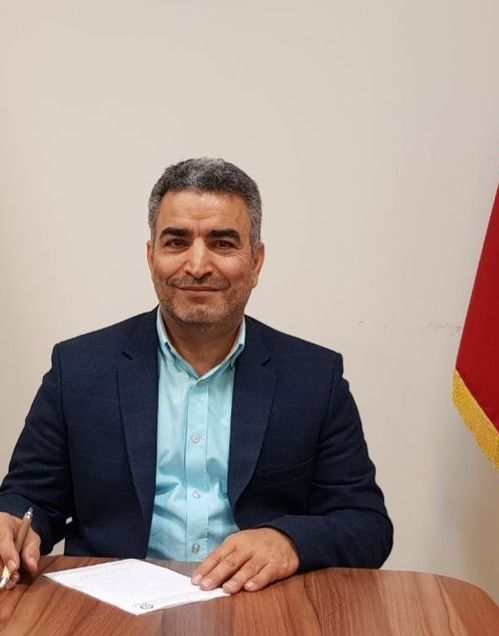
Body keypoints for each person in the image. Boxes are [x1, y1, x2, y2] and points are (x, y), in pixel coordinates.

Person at [0, 158, 392, 593]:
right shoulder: (78, 368)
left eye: (223, 243)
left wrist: (289, 540)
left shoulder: (314, 377)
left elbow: (367, 525)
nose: (198, 264)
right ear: (151, 256)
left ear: (256, 261)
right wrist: (12, 524)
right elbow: (29, 500)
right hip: (111, 610)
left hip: (258, 604)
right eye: (176, 242)